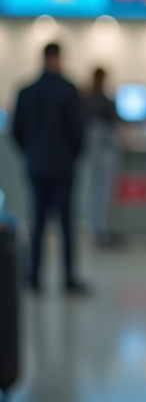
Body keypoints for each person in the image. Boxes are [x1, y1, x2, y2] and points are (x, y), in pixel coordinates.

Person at [11, 43, 87, 294]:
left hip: (37, 165)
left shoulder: (26, 91)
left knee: (38, 221)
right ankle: (68, 278)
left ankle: (33, 277)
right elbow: (78, 131)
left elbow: (17, 132)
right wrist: (72, 156)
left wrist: (31, 153)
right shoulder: (69, 90)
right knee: (66, 224)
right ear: (59, 58)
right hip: (63, 167)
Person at [84, 67, 123, 246]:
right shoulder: (104, 101)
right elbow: (111, 127)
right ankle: (102, 230)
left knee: (95, 192)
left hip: (92, 154)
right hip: (105, 152)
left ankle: (96, 228)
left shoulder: (88, 98)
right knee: (103, 192)